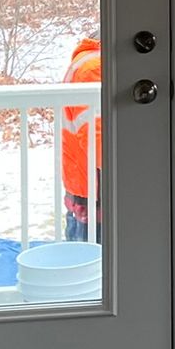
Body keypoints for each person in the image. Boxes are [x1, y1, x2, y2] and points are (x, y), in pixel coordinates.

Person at [59, 37, 103, 242]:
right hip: (93, 188)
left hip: (85, 184)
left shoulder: (89, 63)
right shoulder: (94, 68)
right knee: (92, 262)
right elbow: (98, 137)